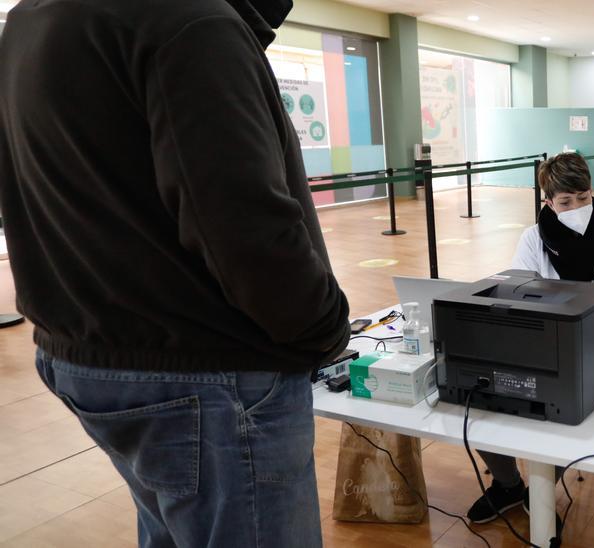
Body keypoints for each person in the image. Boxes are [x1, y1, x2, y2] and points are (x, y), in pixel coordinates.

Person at [0, 1, 349, 546]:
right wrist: (325, 328)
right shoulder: (192, 22)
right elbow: (244, 228)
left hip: (88, 352)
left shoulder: (32, 17)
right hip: (208, 371)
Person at [469, 153, 594, 524]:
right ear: (548, 202)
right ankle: (508, 483)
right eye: (565, 201)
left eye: (583, 197)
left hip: (592, 347)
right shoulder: (533, 239)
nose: (577, 207)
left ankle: (542, 489)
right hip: (541, 341)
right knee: (475, 398)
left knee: (572, 411)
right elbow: (517, 292)